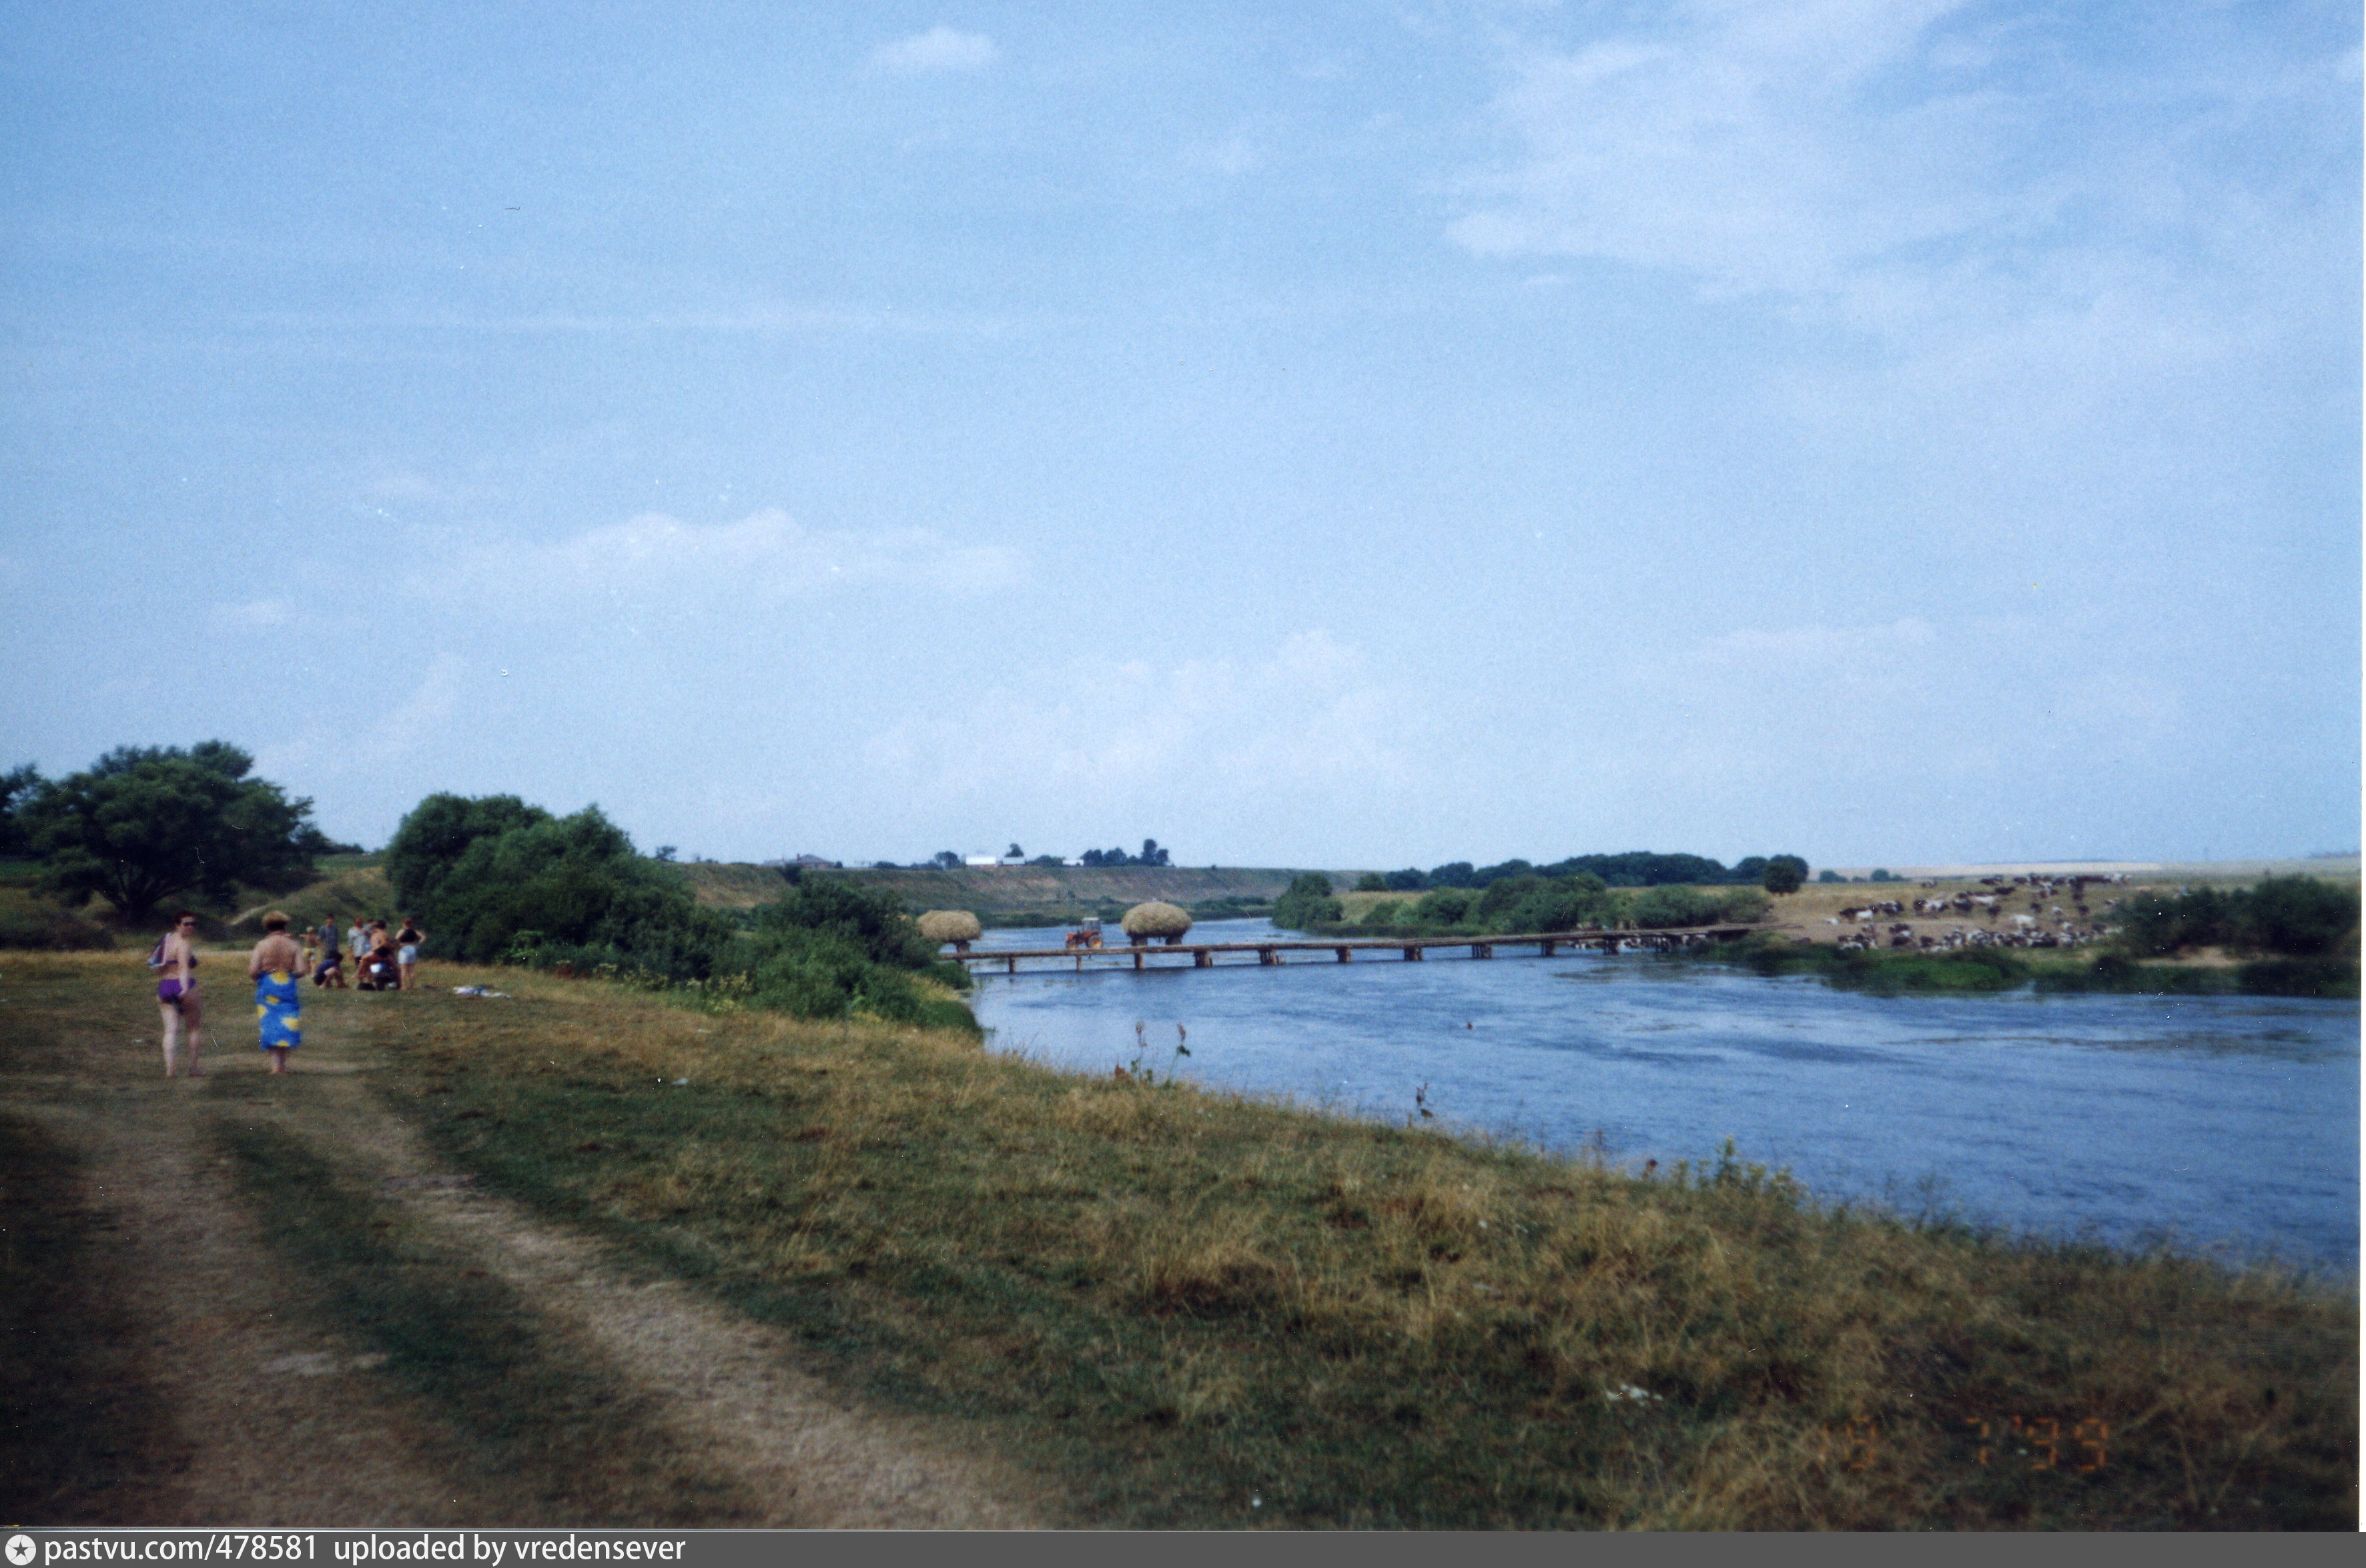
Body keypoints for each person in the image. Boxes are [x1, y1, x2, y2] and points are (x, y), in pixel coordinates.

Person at [248, 911, 306, 1074]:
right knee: (286, 1021)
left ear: (267, 926)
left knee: (270, 1022)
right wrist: (291, 976)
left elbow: (253, 970)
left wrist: (260, 979)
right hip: (286, 983)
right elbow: (302, 970)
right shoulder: (293, 945)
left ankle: (275, 1066)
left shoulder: (262, 945)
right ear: (284, 925)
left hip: (268, 983)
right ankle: (282, 1064)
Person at [155, 911, 205, 1078]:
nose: (190, 927)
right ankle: (193, 1068)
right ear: (178, 925)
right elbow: (184, 967)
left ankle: (170, 1070)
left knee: (170, 1031)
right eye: (186, 924)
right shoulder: (184, 944)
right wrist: (184, 988)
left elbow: (157, 967)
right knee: (193, 1029)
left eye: (193, 924)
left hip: (166, 985)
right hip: (184, 985)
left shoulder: (166, 941)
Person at [314, 918, 346, 988]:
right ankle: (325, 984)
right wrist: (322, 947)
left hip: (334, 949)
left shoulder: (335, 928)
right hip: (327, 950)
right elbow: (317, 939)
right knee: (334, 970)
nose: (331, 921)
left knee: (332, 969)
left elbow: (337, 939)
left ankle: (332, 983)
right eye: (329, 920)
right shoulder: (323, 929)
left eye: (332, 920)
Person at [396, 915, 425, 991]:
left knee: (404, 969)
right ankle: (412, 986)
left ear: (403, 923)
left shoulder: (402, 931)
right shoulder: (414, 931)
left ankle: (404, 986)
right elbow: (423, 937)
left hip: (404, 949)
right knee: (412, 969)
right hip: (412, 948)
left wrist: (399, 945)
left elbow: (396, 939)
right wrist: (418, 944)